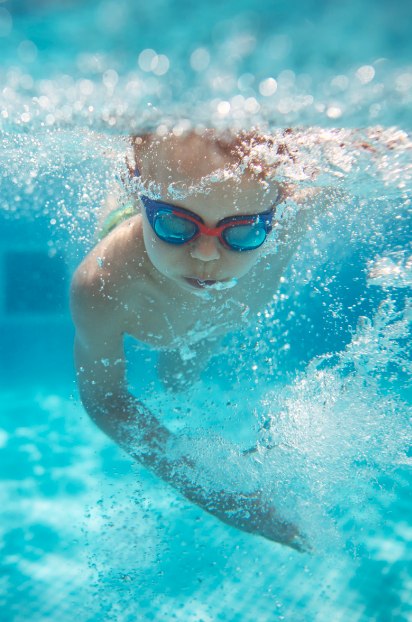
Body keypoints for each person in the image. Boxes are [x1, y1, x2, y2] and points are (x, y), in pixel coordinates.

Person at [70, 130, 327, 552]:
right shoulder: (102, 286)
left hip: (212, 326)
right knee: (179, 371)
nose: (206, 257)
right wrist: (212, 493)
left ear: (273, 215)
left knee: (177, 381)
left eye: (242, 233)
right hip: (140, 261)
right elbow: (106, 400)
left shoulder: (292, 218)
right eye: (174, 224)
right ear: (140, 194)